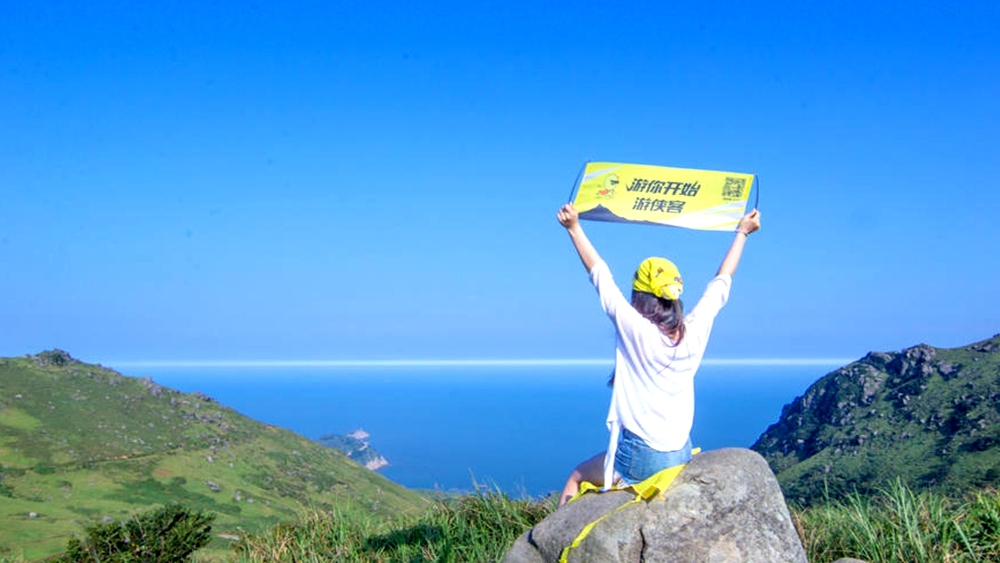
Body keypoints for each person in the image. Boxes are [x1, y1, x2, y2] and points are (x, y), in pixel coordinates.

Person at [555, 203, 761, 506]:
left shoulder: (637, 331)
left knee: (577, 476)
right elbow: (721, 283)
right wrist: (743, 232)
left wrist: (573, 228)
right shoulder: (694, 331)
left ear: (639, 295)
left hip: (642, 458)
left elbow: (600, 276)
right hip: (680, 450)